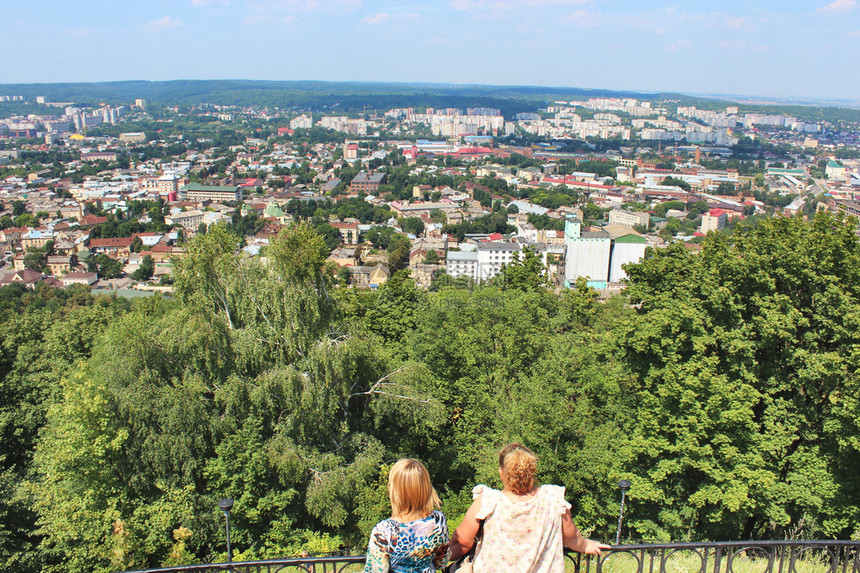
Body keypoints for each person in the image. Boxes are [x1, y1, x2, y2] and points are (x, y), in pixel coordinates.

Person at [450, 443, 609, 573]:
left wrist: (437, 557)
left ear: (502, 473)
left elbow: (462, 542)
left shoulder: (488, 501)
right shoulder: (552, 499)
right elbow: (572, 538)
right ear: (532, 472)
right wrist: (587, 545)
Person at [364, 458, 450, 573]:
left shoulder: (383, 531)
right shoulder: (437, 520)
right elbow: (441, 562)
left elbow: (376, 570)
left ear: (396, 490)